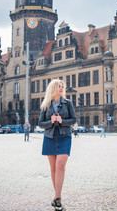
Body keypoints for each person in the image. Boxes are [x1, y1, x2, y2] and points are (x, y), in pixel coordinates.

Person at [39, 79, 76, 211]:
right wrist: (50, 121)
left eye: (62, 86)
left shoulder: (68, 103)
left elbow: (74, 119)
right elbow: (40, 123)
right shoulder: (46, 105)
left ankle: (57, 197)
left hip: (64, 136)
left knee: (60, 165)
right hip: (49, 137)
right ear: (53, 88)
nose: (61, 88)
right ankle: (57, 198)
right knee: (53, 168)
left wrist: (62, 121)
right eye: (58, 86)